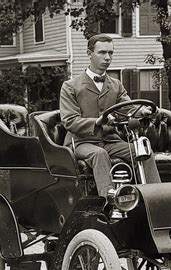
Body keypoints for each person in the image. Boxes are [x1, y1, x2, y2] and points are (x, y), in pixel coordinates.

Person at [60, 34, 161, 197]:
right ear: (89, 53)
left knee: (143, 150)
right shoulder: (70, 87)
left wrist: (141, 111)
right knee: (99, 154)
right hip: (82, 142)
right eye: (102, 53)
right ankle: (110, 203)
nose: (107, 57)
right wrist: (97, 122)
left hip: (110, 140)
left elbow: (128, 109)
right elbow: (70, 121)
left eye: (111, 53)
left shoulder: (115, 85)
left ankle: (156, 198)